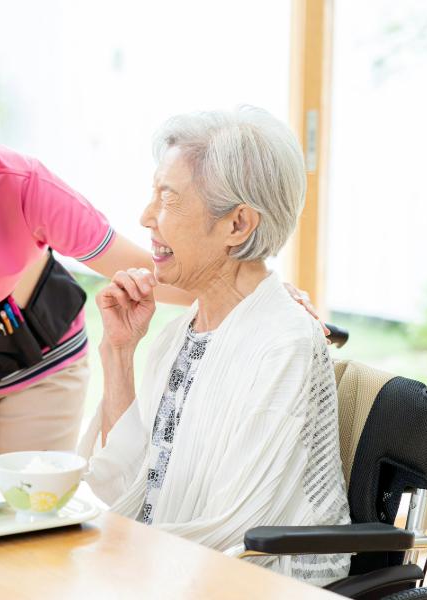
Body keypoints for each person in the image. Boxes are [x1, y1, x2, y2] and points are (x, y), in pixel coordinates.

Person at [0, 68, 320, 458]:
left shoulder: (22, 184)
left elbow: (147, 273)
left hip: (38, 363)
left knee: (25, 524)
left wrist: (260, 290)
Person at [79, 107, 351, 586]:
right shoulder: (182, 330)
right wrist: (119, 353)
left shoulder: (281, 344)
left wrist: (114, 560)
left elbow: (236, 534)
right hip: (169, 567)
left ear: (238, 225)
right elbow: (128, 485)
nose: (145, 217)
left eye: (168, 199)